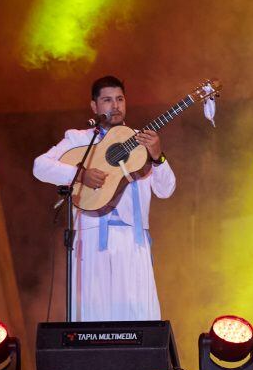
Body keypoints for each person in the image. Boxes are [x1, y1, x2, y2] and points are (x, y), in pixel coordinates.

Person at [33, 75, 174, 321]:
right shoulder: (79, 139)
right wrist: (80, 175)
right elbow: (40, 166)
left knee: (137, 317)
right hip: (90, 239)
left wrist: (157, 156)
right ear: (94, 107)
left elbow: (166, 190)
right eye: (107, 100)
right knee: (93, 317)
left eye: (120, 99)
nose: (115, 105)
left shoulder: (141, 141)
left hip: (133, 239)